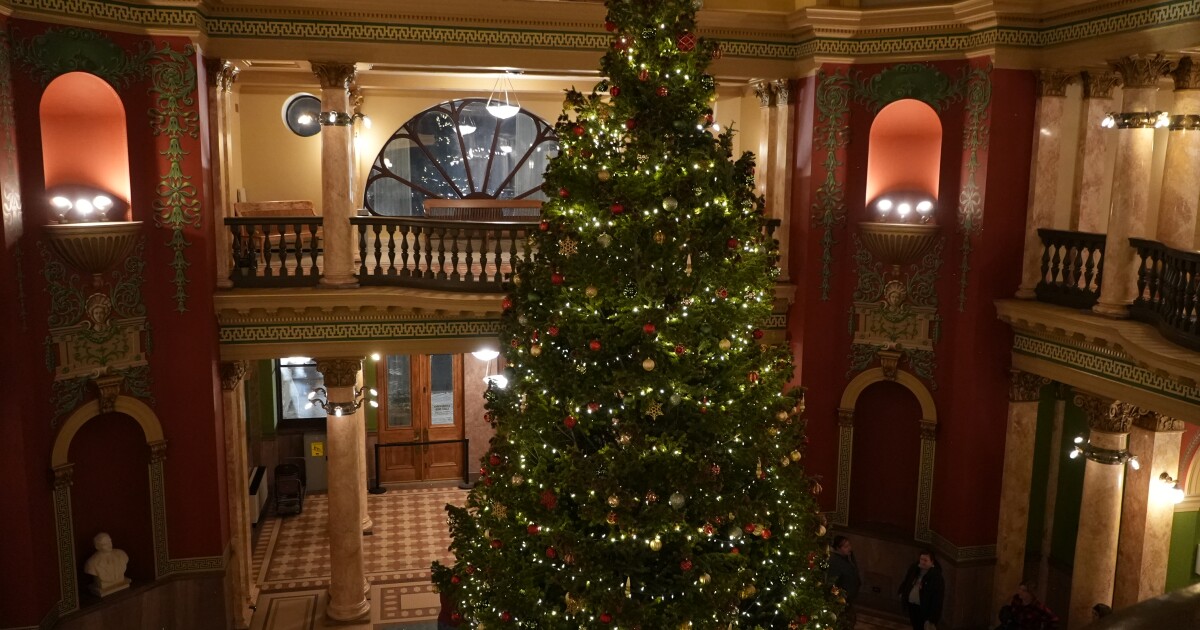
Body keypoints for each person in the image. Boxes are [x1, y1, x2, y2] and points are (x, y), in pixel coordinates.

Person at [898, 549, 943, 630]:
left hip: (924, 609)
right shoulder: (914, 568)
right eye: (921, 559)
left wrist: (932, 618)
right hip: (912, 605)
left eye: (925, 560)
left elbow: (938, 598)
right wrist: (901, 592)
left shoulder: (936, 577)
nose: (922, 562)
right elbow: (906, 581)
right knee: (915, 626)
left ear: (932, 562)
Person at [827, 535, 862, 629]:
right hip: (841, 600)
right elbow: (832, 581)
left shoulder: (848, 557)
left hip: (848, 598)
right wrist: (839, 598)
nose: (849, 548)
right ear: (838, 548)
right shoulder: (835, 562)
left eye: (849, 545)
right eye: (845, 546)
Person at [83, 532, 130, 596]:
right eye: (105, 544)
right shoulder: (91, 563)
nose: (109, 545)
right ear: (97, 547)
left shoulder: (121, 554)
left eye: (109, 541)